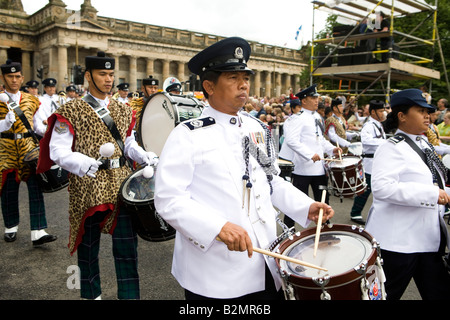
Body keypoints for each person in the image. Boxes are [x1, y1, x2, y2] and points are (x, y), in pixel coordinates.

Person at [154, 37, 334, 300]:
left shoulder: (256, 128)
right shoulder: (188, 135)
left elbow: (271, 181)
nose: (243, 85)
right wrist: (217, 227)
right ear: (209, 86)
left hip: (266, 261)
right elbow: (168, 199)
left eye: (245, 77)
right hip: (215, 273)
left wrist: (305, 206)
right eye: (232, 77)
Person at [37, 52, 158, 300]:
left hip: (122, 183)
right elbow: (57, 150)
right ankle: (92, 295)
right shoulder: (71, 109)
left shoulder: (123, 109)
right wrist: (82, 162)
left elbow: (128, 143)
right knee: (88, 248)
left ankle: (129, 296)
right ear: (88, 76)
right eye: (103, 74)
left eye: (111, 74)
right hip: (89, 185)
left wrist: (145, 155)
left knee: (126, 247)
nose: (108, 79)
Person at [366, 88, 450, 300]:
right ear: (402, 116)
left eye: (427, 111)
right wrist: (432, 194)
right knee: (385, 296)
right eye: (420, 110)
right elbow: (382, 188)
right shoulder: (391, 147)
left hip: (428, 241)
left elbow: (438, 179)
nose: (427, 115)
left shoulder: (423, 143)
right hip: (399, 244)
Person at [0, 60, 57, 245]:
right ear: (2, 78)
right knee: (8, 189)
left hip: (28, 148)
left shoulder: (32, 100)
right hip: (6, 149)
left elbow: (39, 125)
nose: (14, 80)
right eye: (10, 76)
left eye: (17, 77)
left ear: (22, 78)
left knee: (36, 187)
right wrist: (4, 124)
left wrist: (52, 132)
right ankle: (11, 226)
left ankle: (38, 230)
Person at [282, 85, 341, 229]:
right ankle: (288, 229)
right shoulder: (298, 118)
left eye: (317, 98)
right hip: (303, 169)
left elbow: (319, 140)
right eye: (313, 98)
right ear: (304, 101)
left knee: (323, 200)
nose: (317, 101)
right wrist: (309, 155)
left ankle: (325, 228)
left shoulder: (316, 117)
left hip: (319, 169)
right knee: (296, 202)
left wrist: (332, 149)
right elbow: (291, 140)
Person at [350, 100, 387, 225]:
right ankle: (355, 213)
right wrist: (385, 142)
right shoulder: (369, 125)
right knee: (365, 189)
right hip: (369, 162)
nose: (383, 113)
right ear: (373, 112)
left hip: (378, 161)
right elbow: (365, 140)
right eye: (381, 111)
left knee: (378, 188)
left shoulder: (378, 124)